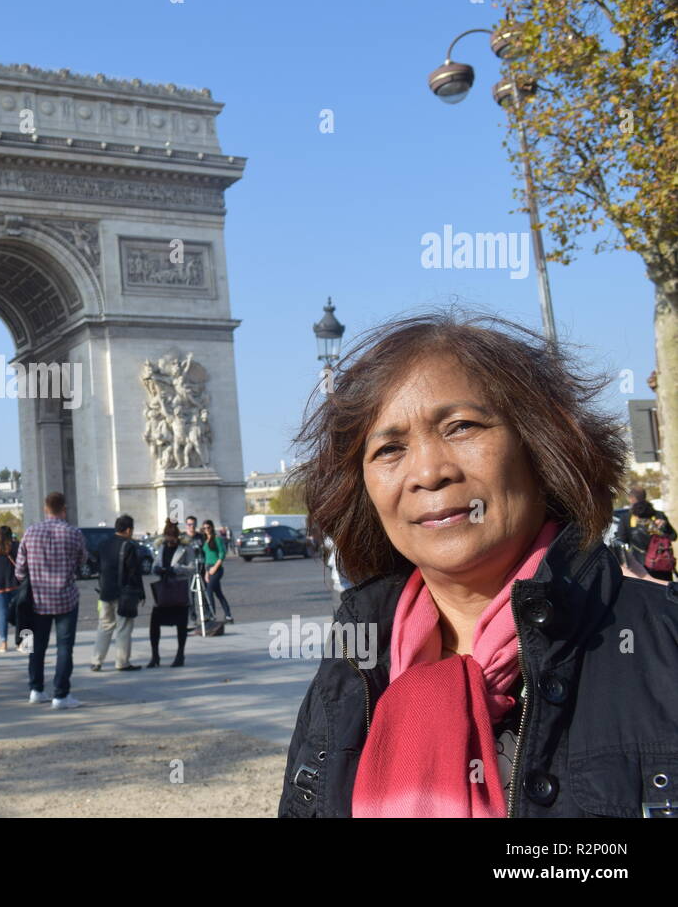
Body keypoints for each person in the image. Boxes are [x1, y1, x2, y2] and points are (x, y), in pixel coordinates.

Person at [278, 309, 678, 817]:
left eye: (461, 426)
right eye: (389, 449)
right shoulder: (349, 667)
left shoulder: (665, 642)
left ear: (541, 447)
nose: (428, 472)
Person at [15, 491, 88, 709]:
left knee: (36, 647)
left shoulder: (30, 532)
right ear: (63, 508)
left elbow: (19, 570)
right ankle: (61, 695)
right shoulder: (74, 533)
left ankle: (36, 690)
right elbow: (82, 561)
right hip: (66, 598)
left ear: (45, 509)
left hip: (37, 600)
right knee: (65, 648)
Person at [91, 514, 145, 671]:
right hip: (124, 594)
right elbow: (135, 573)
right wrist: (141, 593)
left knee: (104, 626)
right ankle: (122, 662)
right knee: (123, 628)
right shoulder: (129, 546)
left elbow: (98, 567)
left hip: (105, 592)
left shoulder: (103, 544)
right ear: (128, 530)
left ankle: (96, 660)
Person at [148, 520, 192, 667]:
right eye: (168, 537)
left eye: (172, 537)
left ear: (177, 536)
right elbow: (155, 565)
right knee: (154, 624)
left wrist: (177, 569)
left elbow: (192, 568)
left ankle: (180, 655)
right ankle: (155, 656)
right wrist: (157, 569)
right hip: (164, 590)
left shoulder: (185, 548)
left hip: (179, 590)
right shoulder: (161, 548)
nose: (170, 540)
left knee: (181, 625)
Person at [0, 525, 20, 652]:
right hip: (14, 583)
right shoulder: (16, 546)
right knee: (19, 613)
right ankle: (20, 643)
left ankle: (4, 643)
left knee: (3, 614)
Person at [625, 499, 675, 581]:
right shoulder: (660, 526)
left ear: (636, 515)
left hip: (643, 569)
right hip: (663, 567)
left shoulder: (634, 532)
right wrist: (665, 526)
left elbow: (623, 540)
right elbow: (674, 537)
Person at [200, 519, 233, 622]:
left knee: (209, 591)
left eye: (208, 527)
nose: (206, 530)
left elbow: (222, 554)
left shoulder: (217, 539)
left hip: (217, 568)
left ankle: (211, 615)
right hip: (208, 569)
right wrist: (206, 572)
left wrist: (215, 568)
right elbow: (206, 558)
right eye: (204, 528)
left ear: (212, 527)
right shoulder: (205, 541)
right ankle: (228, 615)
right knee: (218, 593)